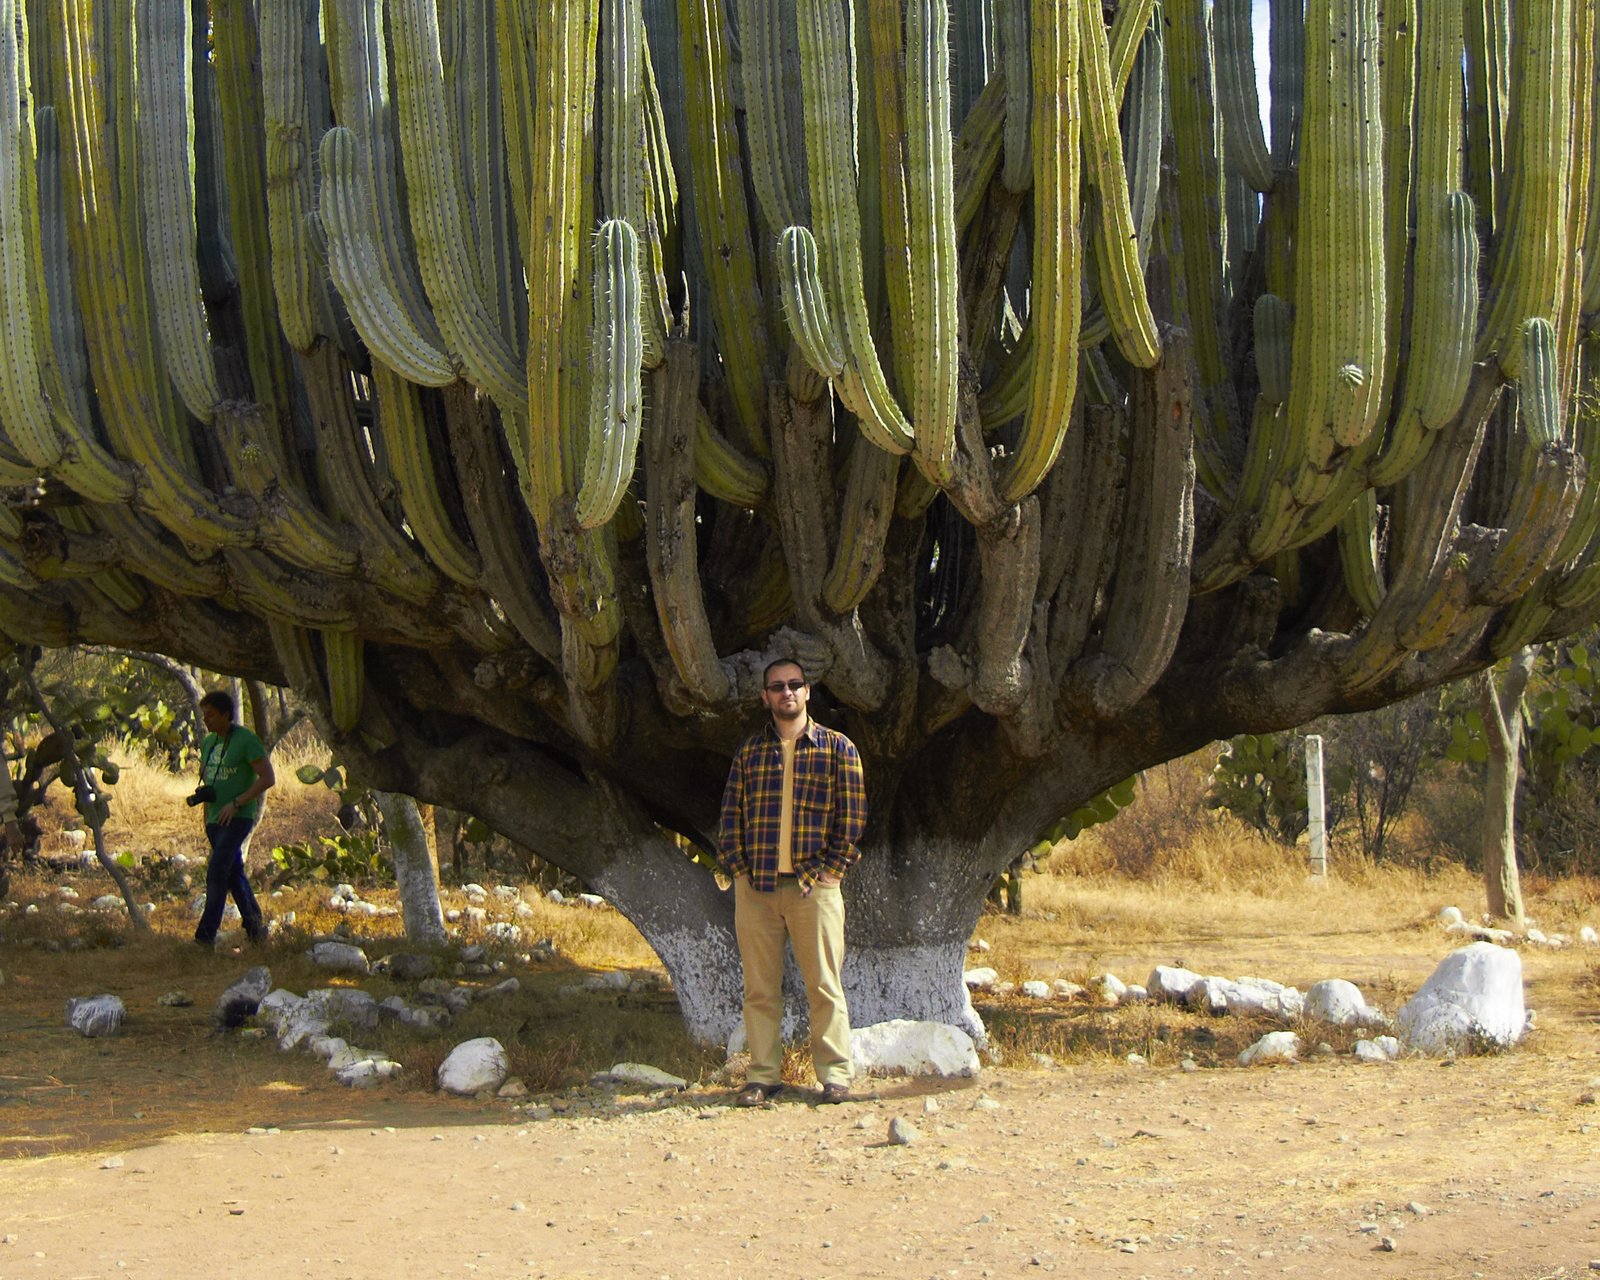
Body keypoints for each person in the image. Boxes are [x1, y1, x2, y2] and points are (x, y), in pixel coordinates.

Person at [717, 659, 867, 1106]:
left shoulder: (838, 749)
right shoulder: (750, 753)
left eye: (794, 685)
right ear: (765, 696)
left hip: (813, 889)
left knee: (824, 984)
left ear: (807, 692)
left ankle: (835, 1075)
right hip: (757, 888)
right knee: (759, 988)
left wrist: (832, 872)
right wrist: (739, 872)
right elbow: (730, 816)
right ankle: (762, 1076)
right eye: (777, 687)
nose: (786, 692)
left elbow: (853, 816)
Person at [193, 691, 274, 946]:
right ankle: (255, 929)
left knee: (217, 872)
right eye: (204, 715)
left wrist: (237, 803)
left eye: (211, 715)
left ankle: (205, 937)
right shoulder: (209, 742)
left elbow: (267, 778)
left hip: (238, 817)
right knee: (233, 873)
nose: (206, 720)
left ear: (226, 715)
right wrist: (208, 818)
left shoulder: (246, 740)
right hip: (214, 819)